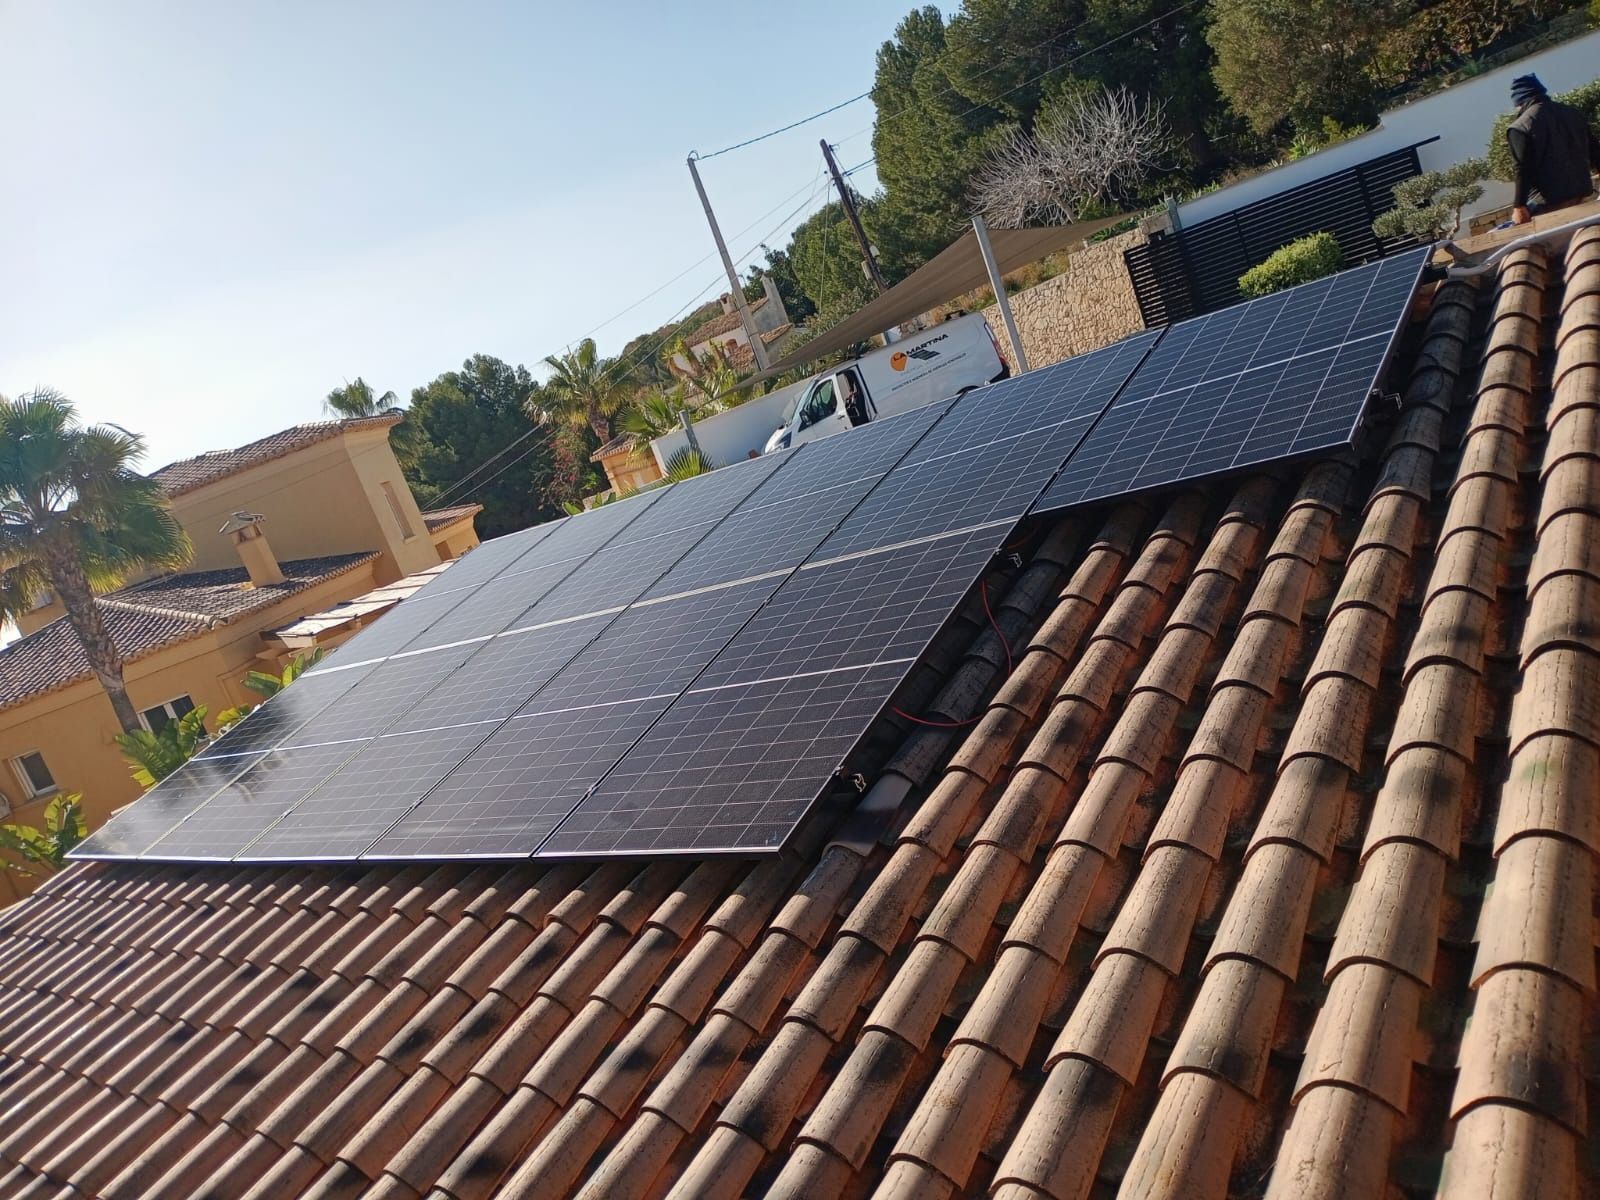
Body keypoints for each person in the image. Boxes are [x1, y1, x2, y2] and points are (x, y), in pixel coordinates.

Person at [1505, 73, 1600, 225]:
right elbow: (1595, 150)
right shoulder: (1572, 113)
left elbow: (1523, 169)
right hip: (1583, 194)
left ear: (1520, 102)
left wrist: (1519, 206)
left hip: (1550, 205)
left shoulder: (1520, 127)